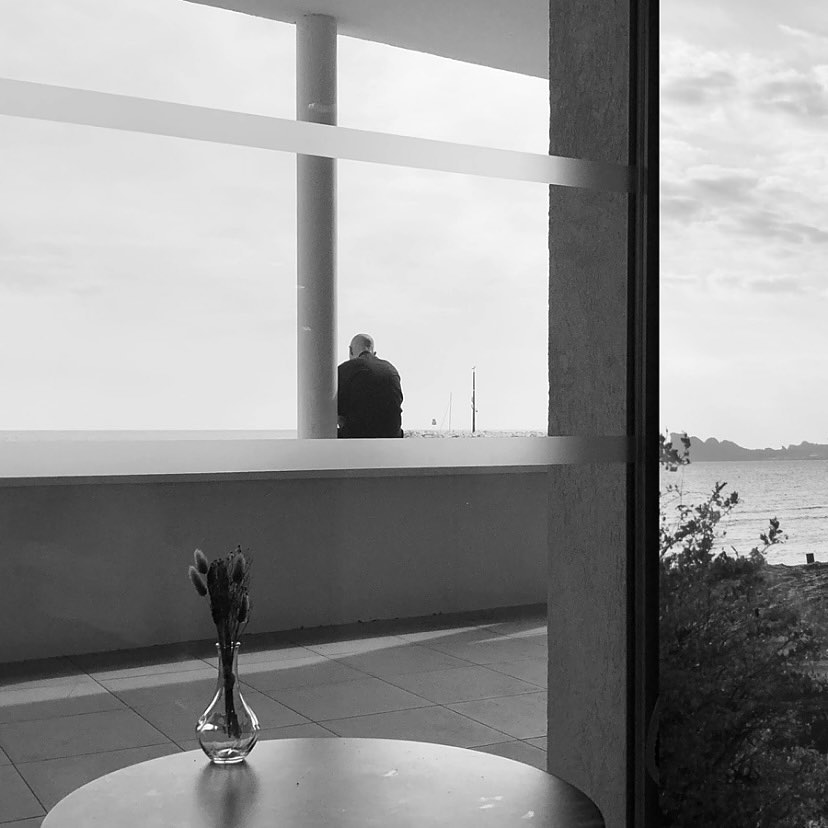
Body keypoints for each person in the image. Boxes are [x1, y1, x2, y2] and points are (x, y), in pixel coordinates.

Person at [337, 334, 403, 438]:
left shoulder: (345, 370)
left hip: (356, 438)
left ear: (350, 351)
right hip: (392, 438)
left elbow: (329, 409)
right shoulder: (391, 370)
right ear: (374, 353)